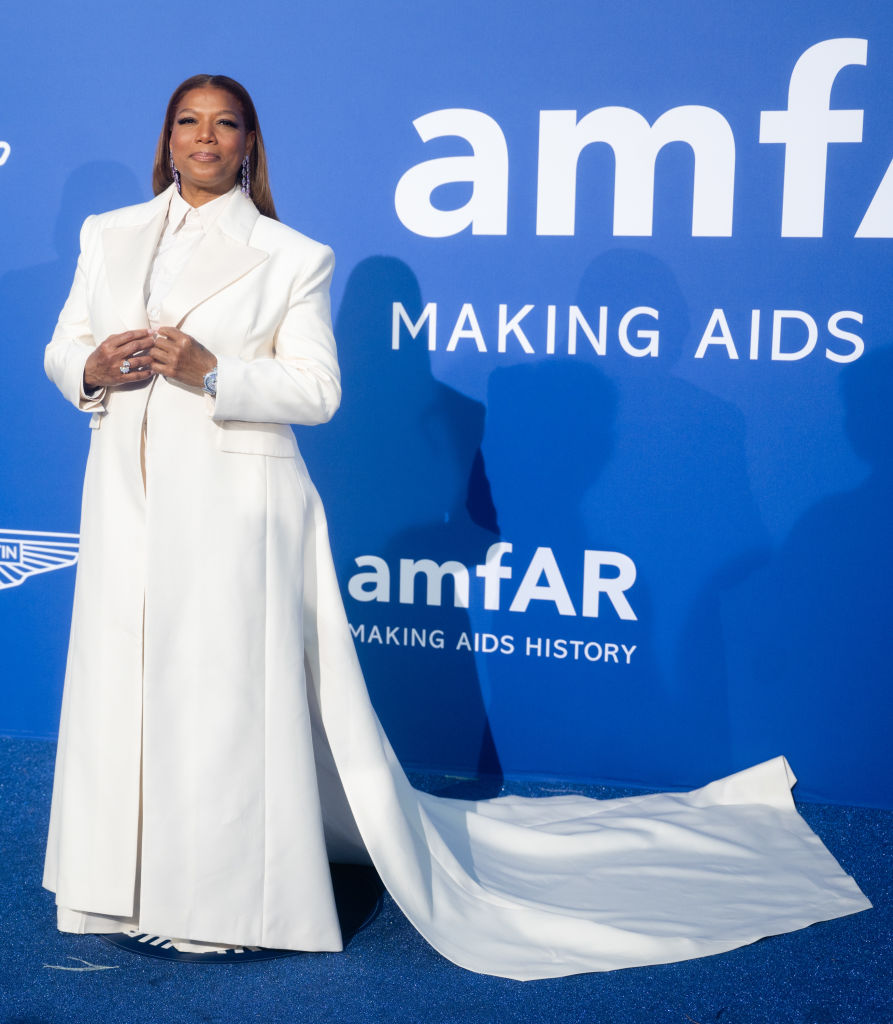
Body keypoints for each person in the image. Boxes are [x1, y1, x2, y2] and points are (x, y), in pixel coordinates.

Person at [43, 74, 871, 979]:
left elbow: (317, 392)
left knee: (222, 703)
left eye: (225, 125)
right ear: (165, 140)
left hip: (240, 509)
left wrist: (214, 372)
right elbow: (63, 344)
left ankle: (223, 904)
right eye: (188, 124)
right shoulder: (109, 235)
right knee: (123, 687)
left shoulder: (291, 255)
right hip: (125, 496)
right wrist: (89, 367)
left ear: (249, 146)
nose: (204, 139)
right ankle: (112, 888)